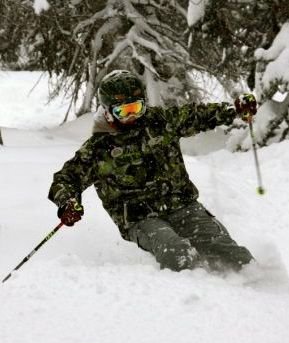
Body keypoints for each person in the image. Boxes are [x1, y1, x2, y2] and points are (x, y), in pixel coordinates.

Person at [48, 70, 257, 272]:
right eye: (123, 111)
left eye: (136, 108)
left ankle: (253, 285)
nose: (131, 117)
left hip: (181, 205)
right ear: (107, 111)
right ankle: (193, 297)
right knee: (177, 253)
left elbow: (197, 116)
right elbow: (66, 179)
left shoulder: (161, 122)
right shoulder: (99, 149)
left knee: (235, 257)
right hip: (140, 218)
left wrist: (233, 110)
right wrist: (68, 202)